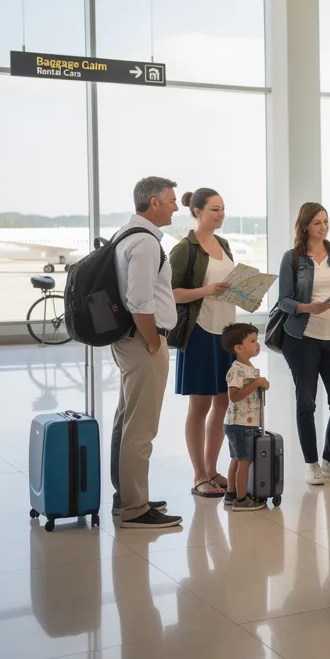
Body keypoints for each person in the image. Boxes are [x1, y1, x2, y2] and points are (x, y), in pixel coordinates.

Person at [109, 176, 182, 529]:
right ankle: (135, 509)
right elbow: (139, 301)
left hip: (128, 339)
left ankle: (126, 495)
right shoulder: (147, 243)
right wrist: (153, 341)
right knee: (141, 427)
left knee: (126, 420)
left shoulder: (126, 235)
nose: (176, 206)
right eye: (171, 201)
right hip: (142, 342)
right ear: (153, 203)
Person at [275, 202, 330, 486]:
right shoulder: (292, 257)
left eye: (326, 221)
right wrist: (306, 308)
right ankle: (311, 464)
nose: (324, 227)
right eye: (317, 223)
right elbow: (283, 302)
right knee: (307, 402)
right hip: (302, 338)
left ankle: (329, 460)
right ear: (304, 226)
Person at [169, 188, 236, 500]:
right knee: (201, 405)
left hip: (226, 333)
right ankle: (198, 475)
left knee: (223, 401)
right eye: (214, 209)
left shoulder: (224, 244)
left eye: (222, 209)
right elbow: (170, 293)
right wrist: (206, 290)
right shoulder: (185, 248)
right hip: (200, 331)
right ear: (197, 212)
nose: (220, 214)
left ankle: (211, 469)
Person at [220, 322, 270, 512]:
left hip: (240, 423)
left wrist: (261, 384)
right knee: (244, 462)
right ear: (238, 348)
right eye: (252, 341)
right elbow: (233, 395)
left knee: (236, 459)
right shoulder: (237, 370)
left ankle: (231, 493)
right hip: (241, 424)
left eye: (256, 340)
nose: (257, 344)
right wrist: (256, 383)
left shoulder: (247, 367)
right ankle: (241, 499)